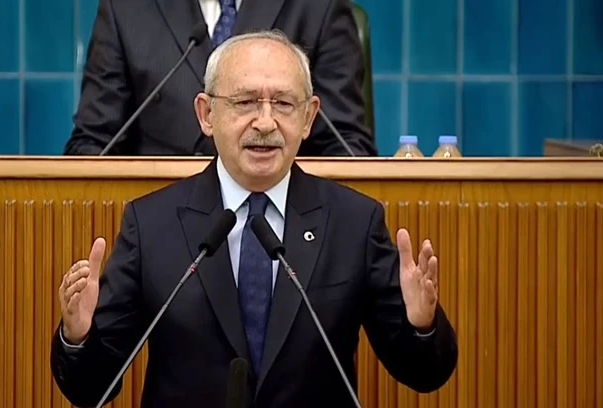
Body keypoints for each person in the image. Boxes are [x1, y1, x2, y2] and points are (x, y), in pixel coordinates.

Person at [51, 31, 457, 407]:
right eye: (245, 102)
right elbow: (92, 387)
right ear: (207, 114)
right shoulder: (152, 224)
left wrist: (421, 326)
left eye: (283, 104)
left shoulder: (354, 223)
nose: (265, 123)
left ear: (308, 118)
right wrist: (78, 336)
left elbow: (424, 374)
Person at [63, 0, 377, 157]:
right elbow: (94, 144)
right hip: (161, 230)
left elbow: (345, 147)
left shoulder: (319, 6)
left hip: (282, 230)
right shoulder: (126, 8)